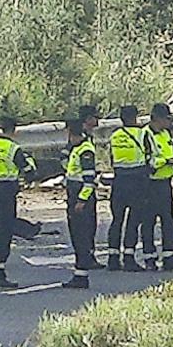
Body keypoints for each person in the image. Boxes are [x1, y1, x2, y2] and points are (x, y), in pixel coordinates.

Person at [0, 116, 36, 288]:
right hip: (7, 191)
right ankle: (0, 271)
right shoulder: (13, 148)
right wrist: (30, 166)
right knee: (5, 230)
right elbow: (27, 170)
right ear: (14, 130)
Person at [107, 105, 154, 272]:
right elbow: (151, 157)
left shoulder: (115, 136)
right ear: (135, 117)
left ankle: (112, 258)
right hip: (138, 181)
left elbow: (111, 158)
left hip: (119, 180)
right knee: (133, 221)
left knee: (116, 220)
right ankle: (129, 257)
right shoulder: (143, 134)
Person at [141, 103, 173, 271]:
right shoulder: (145, 134)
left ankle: (169, 257)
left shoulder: (167, 134)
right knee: (148, 222)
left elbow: (169, 151)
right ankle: (150, 258)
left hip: (165, 183)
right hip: (149, 184)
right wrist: (167, 161)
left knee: (168, 221)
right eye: (166, 119)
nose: (169, 123)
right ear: (157, 118)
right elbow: (147, 161)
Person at [61, 119, 99, 289]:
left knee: (81, 236)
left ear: (72, 134)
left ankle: (81, 275)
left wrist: (81, 201)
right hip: (74, 196)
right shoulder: (78, 149)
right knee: (77, 237)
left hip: (80, 200)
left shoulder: (85, 151)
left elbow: (89, 181)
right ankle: (79, 274)